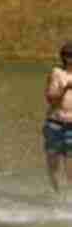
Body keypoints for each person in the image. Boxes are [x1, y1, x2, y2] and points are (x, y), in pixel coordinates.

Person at [43, 41, 72, 194]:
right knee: (53, 161)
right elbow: (51, 99)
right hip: (55, 123)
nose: (70, 59)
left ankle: (69, 202)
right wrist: (65, 88)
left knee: (70, 164)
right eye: (67, 55)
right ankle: (56, 195)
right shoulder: (56, 73)